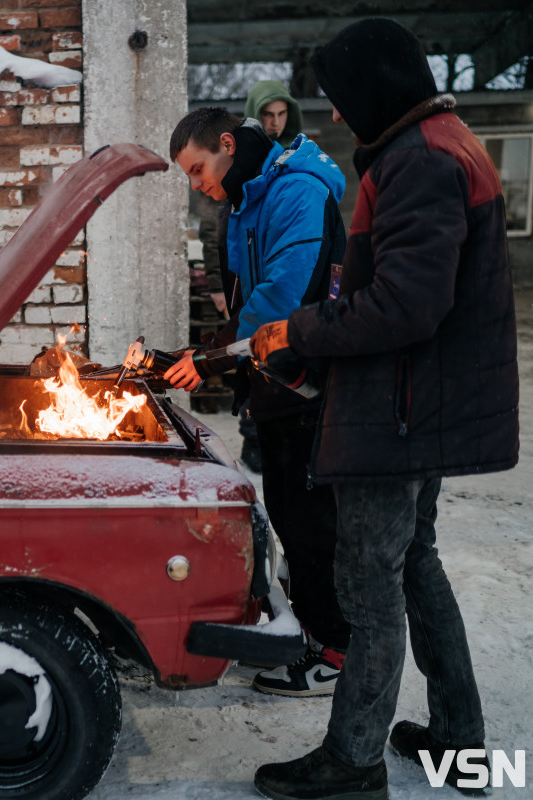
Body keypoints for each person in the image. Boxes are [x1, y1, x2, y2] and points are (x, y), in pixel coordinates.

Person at [251, 17, 519, 800]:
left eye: (339, 97)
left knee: (368, 582)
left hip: (399, 410)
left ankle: (352, 759)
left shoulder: (419, 161)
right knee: (413, 566)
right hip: (422, 403)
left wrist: (296, 328)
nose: (333, 115)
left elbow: (404, 304)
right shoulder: (440, 143)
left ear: (374, 89)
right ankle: (458, 737)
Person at [166, 109, 352, 697]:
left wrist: (215, 356)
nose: (197, 183)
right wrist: (221, 351)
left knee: (312, 523)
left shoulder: (295, 189)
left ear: (227, 144)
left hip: (309, 380)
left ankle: (337, 653)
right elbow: (245, 293)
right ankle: (307, 635)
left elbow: (281, 295)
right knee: (291, 517)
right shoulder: (248, 195)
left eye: (198, 169)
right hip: (275, 379)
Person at [230, 79, 306, 472]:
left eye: (281, 114)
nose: (275, 123)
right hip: (251, 293)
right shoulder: (247, 170)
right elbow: (224, 235)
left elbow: (285, 275)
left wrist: (221, 351)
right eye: (267, 115)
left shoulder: (297, 179)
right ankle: (253, 442)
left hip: (281, 306)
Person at [246, 79, 303, 144]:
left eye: (281, 113)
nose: (276, 123)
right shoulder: (236, 150)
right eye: (268, 114)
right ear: (253, 113)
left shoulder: (301, 150)